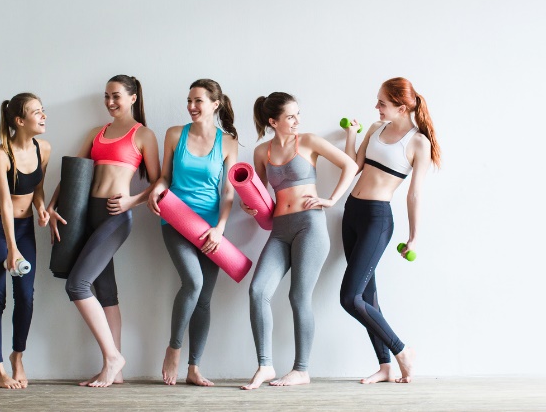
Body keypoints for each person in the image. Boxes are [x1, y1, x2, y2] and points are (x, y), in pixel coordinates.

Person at [47, 75, 160, 387]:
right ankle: (117, 371)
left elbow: (161, 182)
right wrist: (53, 205)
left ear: (133, 97)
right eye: (106, 97)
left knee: (77, 285)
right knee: (106, 292)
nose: (110, 102)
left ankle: (113, 357)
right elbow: (73, 172)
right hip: (87, 215)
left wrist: (132, 202)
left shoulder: (144, 135)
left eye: (116, 96)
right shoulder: (97, 133)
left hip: (115, 218)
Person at [241, 92, 357, 390]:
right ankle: (265, 365)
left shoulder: (308, 141)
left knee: (298, 297)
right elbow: (262, 195)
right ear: (273, 121)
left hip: (310, 227)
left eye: (298, 114)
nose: (297, 120)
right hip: (279, 231)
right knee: (257, 291)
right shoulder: (261, 152)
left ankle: (301, 370)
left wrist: (331, 199)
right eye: (290, 116)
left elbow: (350, 165)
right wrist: (249, 206)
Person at [341, 77, 440, 384]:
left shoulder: (417, 142)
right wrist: (350, 135)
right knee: (367, 296)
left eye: (382, 103)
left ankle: (402, 351)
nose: (376, 107)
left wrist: (413, 236)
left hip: (377, 219)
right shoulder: (375, 128)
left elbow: (414, 193)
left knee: (349, 297)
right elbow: (354, 165)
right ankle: (385, 366)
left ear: (400, 107)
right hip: (351, 213)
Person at [148, 79, 239, 387]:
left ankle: (194, 367)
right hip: (175, 218)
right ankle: (174, 348)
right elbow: (164, 177)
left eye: (198, 101)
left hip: (210, 228)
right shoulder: (175, 134)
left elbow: (229, 191)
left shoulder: (228, 142)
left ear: (215, 104)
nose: (191, 106)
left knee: (204, 299)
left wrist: (220, 229)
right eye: (189, 100)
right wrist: (156, 191)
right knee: (193, 281)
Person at [0, 93, 51, 389]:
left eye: (43, 110)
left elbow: (38, 187)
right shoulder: (1, 154)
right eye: (37, 112)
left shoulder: (43, 148)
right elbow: (6, 203)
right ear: (20, 121)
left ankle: (17, 356)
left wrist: (42, 208)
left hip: (25, 229)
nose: (44, 116)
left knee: (26, 297)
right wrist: (12, 248)